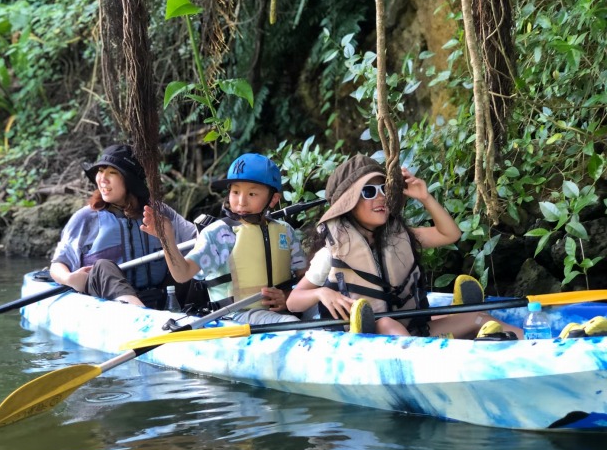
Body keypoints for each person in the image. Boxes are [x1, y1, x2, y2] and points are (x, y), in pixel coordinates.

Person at [287, 154, 523, 339]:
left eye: (384, 189)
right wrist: (322, 292)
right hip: (369, 339)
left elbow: (450, 234)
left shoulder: (400, 237)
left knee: (477, 317)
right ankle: (448, 351)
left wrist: (425, 197)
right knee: (386, 323)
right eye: (369, 192)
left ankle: (531, 340)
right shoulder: (330, 254)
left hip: (415, 332)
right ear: (348, 206)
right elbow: (293, 301)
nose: (380, 197)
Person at [140, 153, 307, 325]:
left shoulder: (284, 231)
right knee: (290, 322)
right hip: (236, 317)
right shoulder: (220, 234)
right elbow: (183, 273)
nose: (241, 202)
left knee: (318, 309)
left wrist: (288, 296)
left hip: (284, 309)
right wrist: (166, 238)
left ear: (273, 199)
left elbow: (304, 278)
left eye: (252, 194)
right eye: (235, 192)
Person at [50, 144, 197, 307]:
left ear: (130, 182)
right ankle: (137, 310)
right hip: (107, 300)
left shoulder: (159, 213)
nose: (102, 179)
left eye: (112, 173)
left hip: (160, 295)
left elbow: (198, 241)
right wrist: (69, 279)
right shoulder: (86, 218)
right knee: (102, 266)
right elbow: (57, 264)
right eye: (100, 171)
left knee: (189, 266)